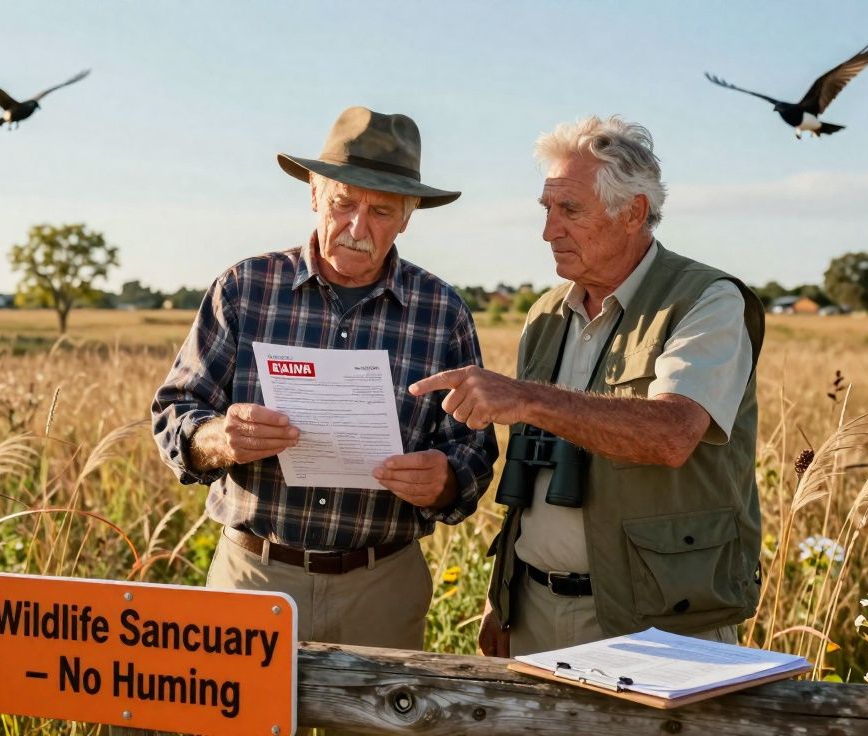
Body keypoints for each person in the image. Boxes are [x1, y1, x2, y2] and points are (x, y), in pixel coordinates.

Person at [409, 116, 764, 657]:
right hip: (534, 612)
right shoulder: (547, 314)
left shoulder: (707, 302)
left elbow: (673, 434)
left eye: (569, 210)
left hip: (661, 624)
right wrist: (501, 599)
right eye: (546, 210)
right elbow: (531, 471)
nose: (549, 230)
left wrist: (526, 397)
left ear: (634, 213)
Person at [152, 106, 498, 653]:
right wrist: (220, 439)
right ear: (314, 194)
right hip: (254, 577)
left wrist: (446, 481)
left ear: (408, 217)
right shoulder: (245, 288)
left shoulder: (442, 311)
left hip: (382, 587)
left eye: (382, 211)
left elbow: (474, 450)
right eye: (343, 203)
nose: (359, 228)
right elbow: (175, 414)